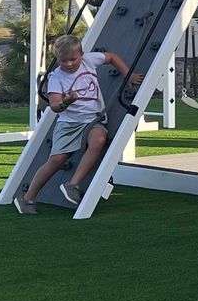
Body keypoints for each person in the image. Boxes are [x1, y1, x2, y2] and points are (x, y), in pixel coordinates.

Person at [14, 35, 143, 213]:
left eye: (73, 59)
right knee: (57, 160)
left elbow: (111, 57)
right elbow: (54, 106)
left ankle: (72, 184)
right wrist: (66, 101)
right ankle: (27, 197)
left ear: (82, 54)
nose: (68, 64)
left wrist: (129, 75)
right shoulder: (56, 77)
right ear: (57, 59)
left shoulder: (89, 61)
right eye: (63, 60)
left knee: (99, 139)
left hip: (93, 119)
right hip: (69, 124)